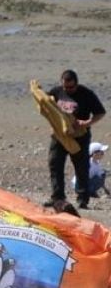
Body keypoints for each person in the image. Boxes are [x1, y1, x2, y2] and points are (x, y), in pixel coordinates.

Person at [48, 69, 105, 210]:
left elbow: (100, 112)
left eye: (71, 87)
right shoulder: (56, 92)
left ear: (76, 84)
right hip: (59, 136)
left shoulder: (86, 94)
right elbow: (47, 107)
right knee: (55, 164)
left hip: (80, 136)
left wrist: (86, 123)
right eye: (65, 87)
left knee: (81, 167)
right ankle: (58, 198)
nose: (68, 90)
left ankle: (82, 199)